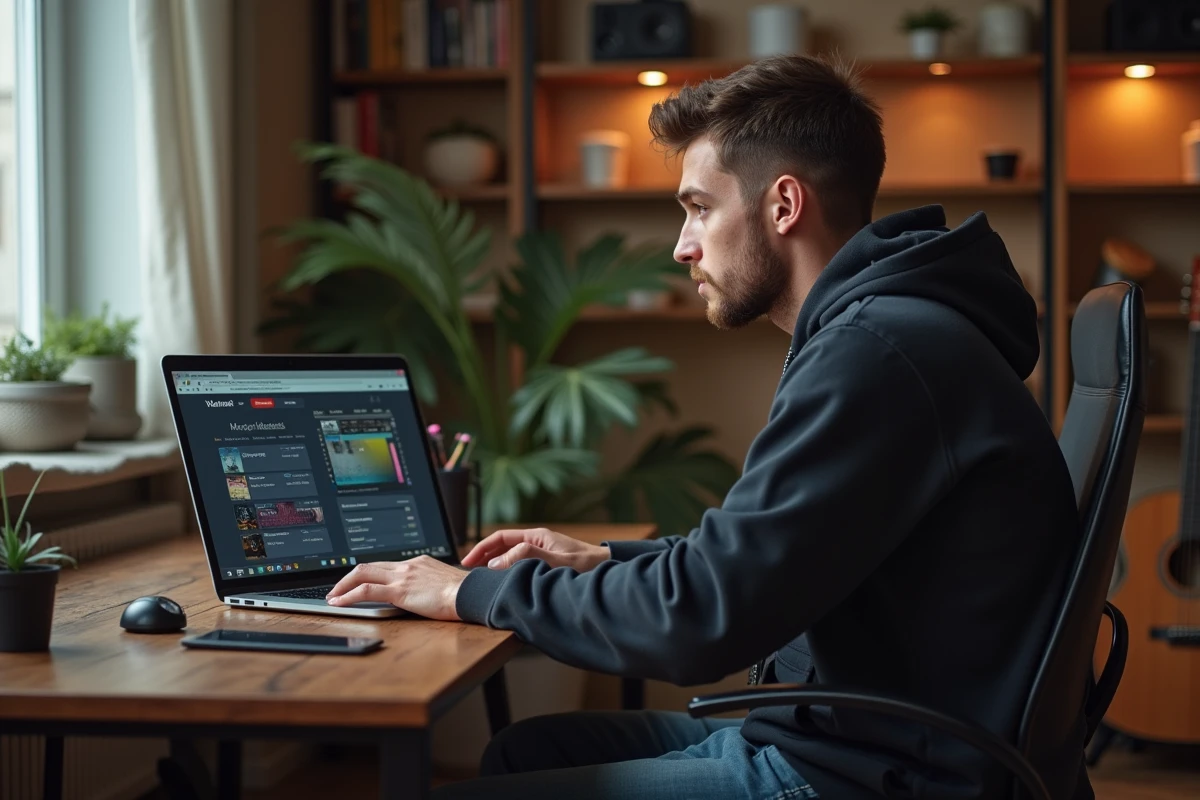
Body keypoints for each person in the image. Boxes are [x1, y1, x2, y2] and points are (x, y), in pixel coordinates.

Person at [325, 55, 1086, 800]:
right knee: (526, 751)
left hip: (876, 771)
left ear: (783, 206)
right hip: (854, 734)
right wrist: (602, 559)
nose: (682, 245)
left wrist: (471, 591)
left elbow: (702, 620)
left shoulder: (878, 352)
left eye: (699, 208)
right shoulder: (884, 332)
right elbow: (753, 560)